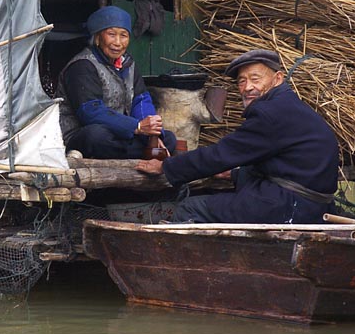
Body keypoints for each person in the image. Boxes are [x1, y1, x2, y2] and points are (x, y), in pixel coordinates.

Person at [136, 49, 339, 224]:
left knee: (191, 207)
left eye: (255, 79)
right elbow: (284, 165)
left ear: (277, 79)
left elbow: (221, 154)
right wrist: (235, 175)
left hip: (291, 206)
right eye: (242, 81)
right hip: (312, 205)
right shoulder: (288, 106)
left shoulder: (270, 113)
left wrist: (166, 166)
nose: (248, 87)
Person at [56, 5, 176, 159]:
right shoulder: (82, 65)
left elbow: (140, 101)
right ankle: (139, 153)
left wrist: (151, 133)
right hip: (81, 135)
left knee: (169, 139)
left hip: (120, 133)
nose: (118, 42)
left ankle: (133, 152)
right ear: (98, 37)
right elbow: (90, 113)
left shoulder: (129, 64)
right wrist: (137, 127)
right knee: (96, 136)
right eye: (111, 34)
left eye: (123, 35)